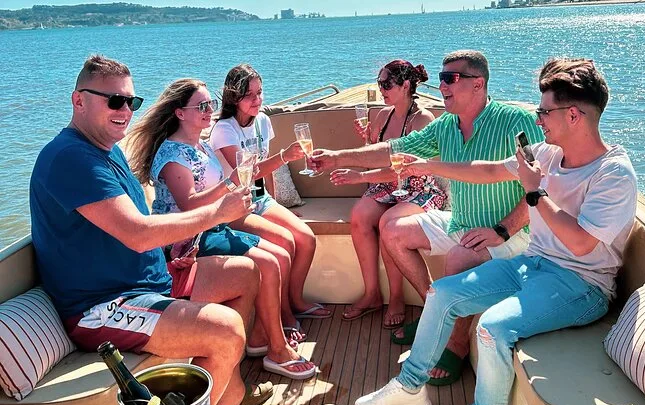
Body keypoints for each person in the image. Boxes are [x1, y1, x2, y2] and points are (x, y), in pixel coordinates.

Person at [354, 58, 637, 405]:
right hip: (534, 265)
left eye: (544, 111)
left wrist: (535, 191)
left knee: (491, 329)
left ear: (573, 115)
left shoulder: (613, 173)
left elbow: (582, 243)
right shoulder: (548, 154)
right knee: (443, 292)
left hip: (582, 285)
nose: (537, 119)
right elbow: (487, 171)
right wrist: (424, 165)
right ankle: (410, 388)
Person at [29, 55, 271, 405]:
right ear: (78, 101)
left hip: (150, 281)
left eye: (131, 101)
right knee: (226, 330)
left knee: (245, 273)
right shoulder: (70, 158)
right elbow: (137, 233)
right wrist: (216, 213)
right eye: (114, 101)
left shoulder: (108, 150)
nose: (125, 110)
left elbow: (133, 231)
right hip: (104, 305)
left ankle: (221, 402)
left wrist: (170, 252)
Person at [311, 50, 543, 385]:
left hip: (509, 233)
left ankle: (456, 344)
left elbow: (540, 184)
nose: (442, 85)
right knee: (392, 229)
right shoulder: (445, 126)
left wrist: (503, 230)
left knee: (460, 256)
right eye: (441, 78)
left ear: (478, 84)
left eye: (451, 78)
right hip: (460, 222)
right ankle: (436, 314)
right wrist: (336, 157)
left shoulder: (516, 121)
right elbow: (393, 150)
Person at [126, 78, 316, 380]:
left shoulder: (200, 144)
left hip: (211, 228)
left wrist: (240, 186)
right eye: (201, 106)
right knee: (268, 262)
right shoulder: (172, 155)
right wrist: (231, 184)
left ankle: (259, 338)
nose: (208, 110)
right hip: (185, 240)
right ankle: (278, 351)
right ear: (179, 113)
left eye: (210, 104)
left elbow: (225, 184)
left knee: (279, 255)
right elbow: (189, 204)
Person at [209, 64, 332, 337]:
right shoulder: (224, 130)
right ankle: (284, 314)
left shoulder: (263, 121)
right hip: (235, 207)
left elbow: (266, 172)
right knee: (285, 243)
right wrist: (285, 156)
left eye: (260, 93)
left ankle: (296, 301)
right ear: (234, 97)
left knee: (306, 238)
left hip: (260, 199)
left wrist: (278, 205)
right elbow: (246, 174)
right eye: (249, 95)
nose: (257, 100)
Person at [329, 59, 446, 329]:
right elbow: (379, 156)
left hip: (419, 186)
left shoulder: (423, 120)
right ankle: (371, 293)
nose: (381, 89)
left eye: (386, 84)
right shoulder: (383, 115)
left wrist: (359, 177)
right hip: (389, 185)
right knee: (359, 216)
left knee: (386, 222)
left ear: (405, 86)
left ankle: (396, 298)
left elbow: (404, 169)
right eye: (379, 84)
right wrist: (367, 140)